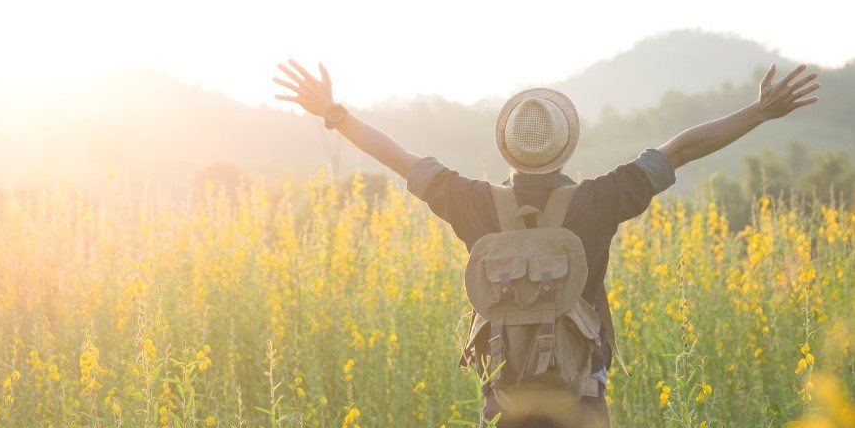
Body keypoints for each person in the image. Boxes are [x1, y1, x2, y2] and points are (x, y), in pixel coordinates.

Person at [273, 60, 821, 427]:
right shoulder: (600, 200)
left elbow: (398, 157)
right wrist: (760, 111)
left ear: (506, 147)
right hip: (581, 400)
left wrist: (334, 114)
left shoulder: (473, 203)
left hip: (508, 398)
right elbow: (680, 149)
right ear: (567, 144)